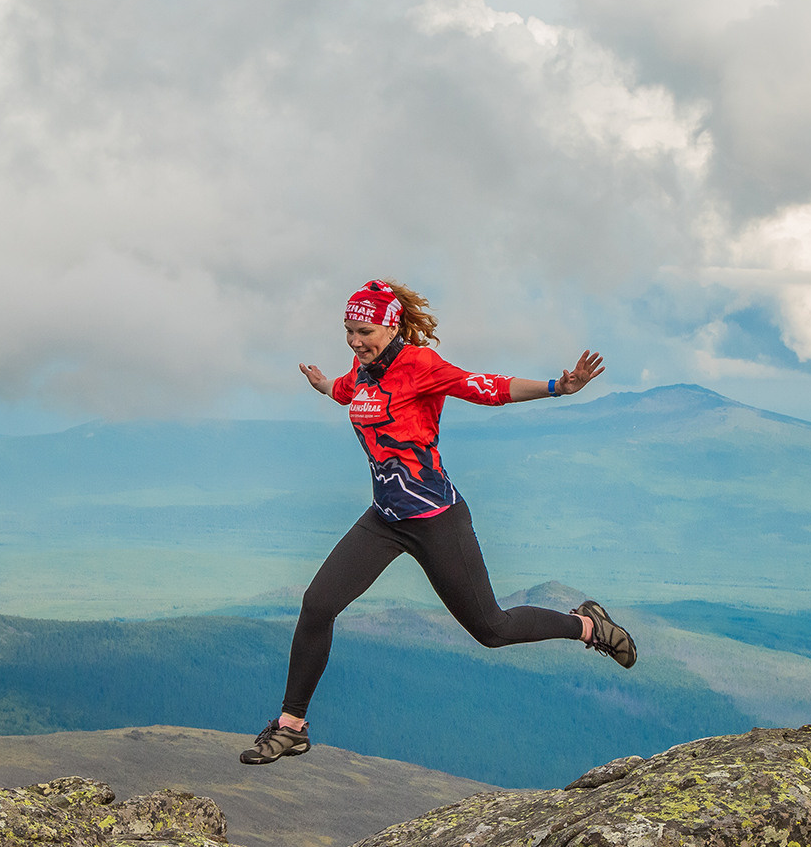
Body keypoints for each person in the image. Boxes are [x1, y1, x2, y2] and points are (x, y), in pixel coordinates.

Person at [242, 279, 637, 766]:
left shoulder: (420, 367)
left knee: (492, 629)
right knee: (317, 604)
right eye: (348, 331)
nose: (354, 341)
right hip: (385, 519)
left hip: (437, 520)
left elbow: (486, 388)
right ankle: (291, 726)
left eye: (363, 331)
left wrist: (559, 388)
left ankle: (587, 626)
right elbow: (346, 393)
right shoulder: (362, 370)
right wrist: (322, 384)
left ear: (389, 327)